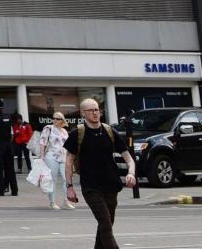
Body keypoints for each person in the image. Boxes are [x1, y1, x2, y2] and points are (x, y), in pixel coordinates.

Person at [65, 98, 135, 249]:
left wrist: (131, 173)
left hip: (111, 184)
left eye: (97, 109)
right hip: (91, 186)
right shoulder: (77, 134)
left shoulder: (109, 131)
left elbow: (129, 158)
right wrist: (69, 186)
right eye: (91, 110)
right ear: (83, 113)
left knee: (107, 224)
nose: (95, 113)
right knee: (105, 222)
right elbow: (69, 161)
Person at [39, 111, 73, 209]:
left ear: (62, 120)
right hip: (51, 156)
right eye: (54, 118)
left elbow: (68, 145)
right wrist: (42, 156)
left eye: (57, 119)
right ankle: (52, 202)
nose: (55, 120)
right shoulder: (48, 128)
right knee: (52, 179)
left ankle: (66, 201)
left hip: (64, 156)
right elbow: (43, 142)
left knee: (67, 178)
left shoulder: (64, 131)